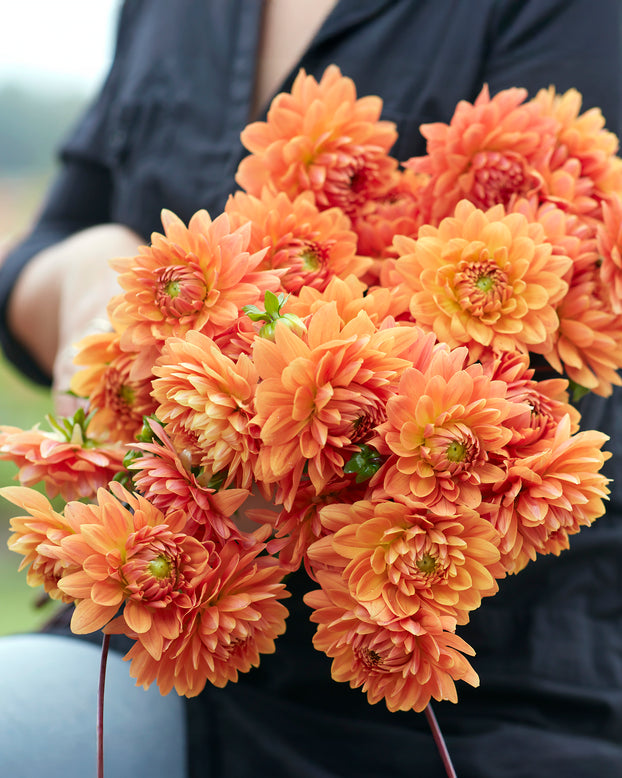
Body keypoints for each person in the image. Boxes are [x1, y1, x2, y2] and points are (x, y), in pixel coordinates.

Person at [1, 1, 622, 776]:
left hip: (483, 712)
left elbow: (563, 325)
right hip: (149, 650)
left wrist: (265, 481)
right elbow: (47, 243)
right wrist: (86, 284)